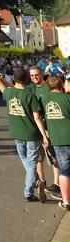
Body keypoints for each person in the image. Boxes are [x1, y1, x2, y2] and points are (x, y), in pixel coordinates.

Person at [2, 68, 49, 202]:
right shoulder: (30, 95)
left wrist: (1, 80)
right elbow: (37, 118)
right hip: (32, 134)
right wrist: (44, 136)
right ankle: (29, 192)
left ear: (13, 79)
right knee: (31, 164)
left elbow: (5, 90)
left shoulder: (9, 93)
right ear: (26, 79)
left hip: (17, 133)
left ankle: (35, 183)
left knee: (26, 161)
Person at [28, 65, 61, 199]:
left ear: (41, 74)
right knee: (39, 158)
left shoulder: (48, 87)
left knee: (53, 157)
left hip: (48, 127)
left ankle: (56, 184)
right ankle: (42, 182)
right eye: (31, 76)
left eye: (36, 75)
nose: (34, 77)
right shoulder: (30, 88)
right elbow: (15, 89)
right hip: (36, 127)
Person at [41, 75, 70, 211]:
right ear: (61, 85)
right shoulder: (67, 98)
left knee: (65, 170)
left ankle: (66, 201)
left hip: (57, 139)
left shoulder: (45, 98)